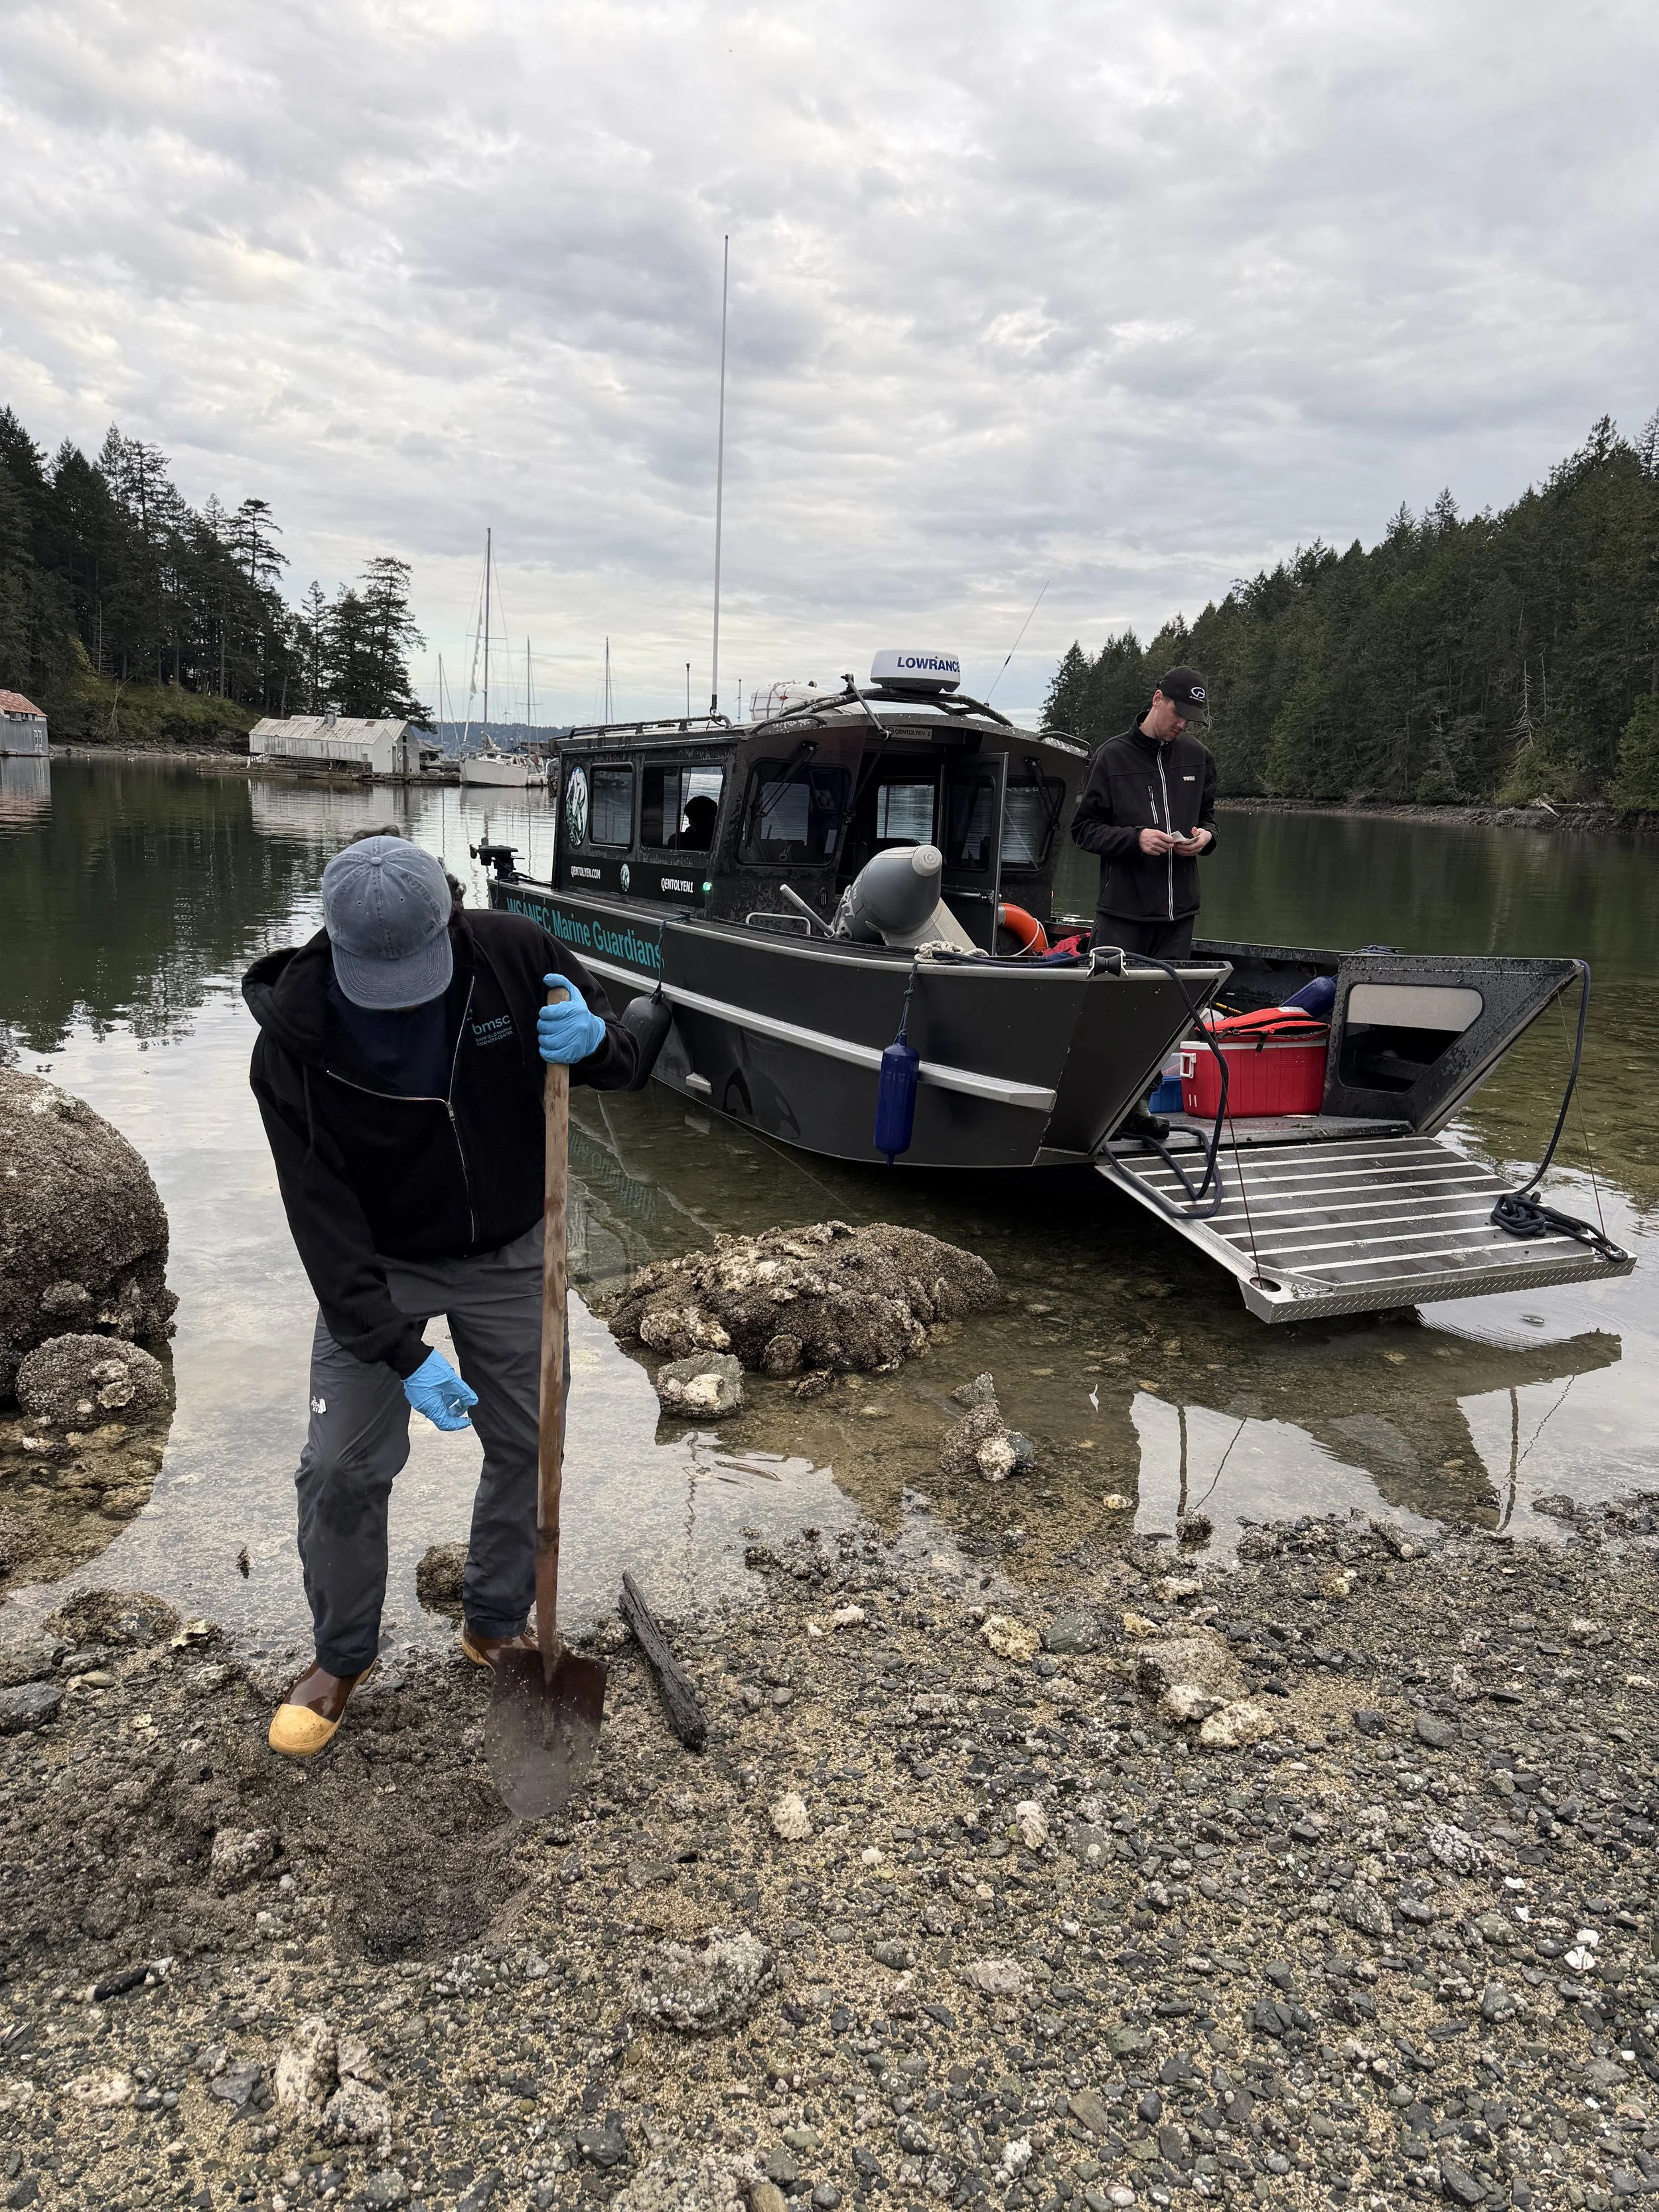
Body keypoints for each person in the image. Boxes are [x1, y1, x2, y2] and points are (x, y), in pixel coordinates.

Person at [242, 833, 638, 1756]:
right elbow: (322, 1227)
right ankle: (342, 1656)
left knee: (532, 1442)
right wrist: (399, 1350)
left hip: (511, 1245)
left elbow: (627, 1053)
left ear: (451, 921)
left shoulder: (515, 954)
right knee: (339, 1465)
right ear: (333, 944)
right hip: (380, 1263)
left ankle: (495, 1622)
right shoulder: (292, 1047)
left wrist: (596, 1044)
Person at [1070, 665, 1218, 1136]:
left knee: (1163, 1018)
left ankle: (1137, 1108)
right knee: (1107, 1013)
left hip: (1179, 915)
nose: (1183, 724)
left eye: (1191, 718)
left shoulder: (1198, 757)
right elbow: (1083, 830)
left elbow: (1210, 818)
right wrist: (1134, 839)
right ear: (1157, 700)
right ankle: (1091, 1108)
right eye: (1178, 713)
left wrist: (1206, 838)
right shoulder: (1112, 756)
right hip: (1123, 914)